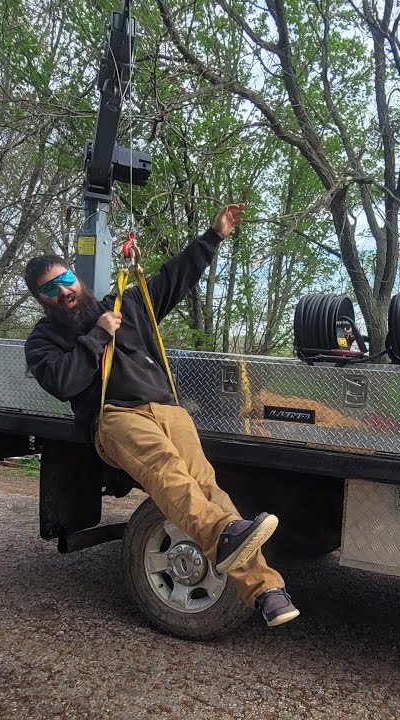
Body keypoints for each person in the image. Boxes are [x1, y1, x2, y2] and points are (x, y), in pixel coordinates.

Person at [22, 202, 299, 628]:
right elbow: (63, 381)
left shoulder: (126, 305)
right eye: (49, 289)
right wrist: (98, 336)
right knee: (168, 471)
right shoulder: (44, 339)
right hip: (114, 418)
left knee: (207, 486)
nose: (62, 291)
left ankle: (266, 591)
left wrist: (215, 234)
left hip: (168, 409)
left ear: (75, 276)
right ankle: (224, 538)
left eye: (63, 279)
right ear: (42, 300)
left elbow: (175, 276)